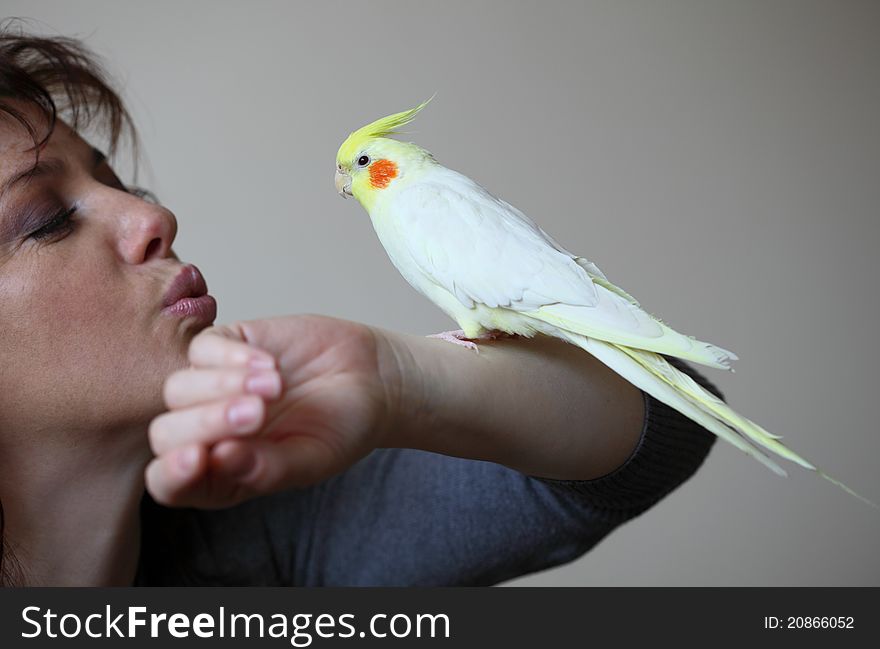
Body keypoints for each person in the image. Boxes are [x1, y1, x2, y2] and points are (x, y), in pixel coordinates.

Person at [0, 26, 722, 587]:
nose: (150, 215)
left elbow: (673, 422)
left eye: (120, 180)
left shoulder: (275, 527)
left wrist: (403, 378)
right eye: (45, 219)